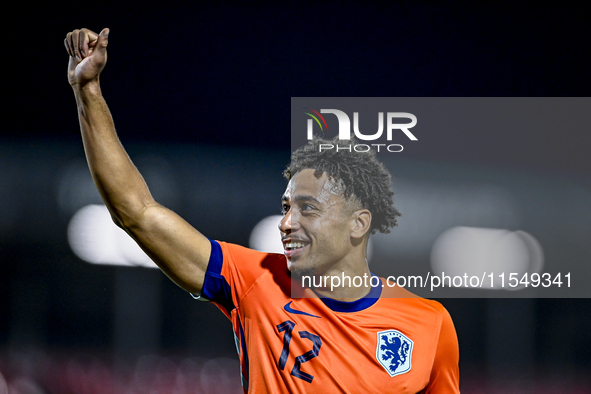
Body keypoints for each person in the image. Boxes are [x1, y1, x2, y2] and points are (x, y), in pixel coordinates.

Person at [64, 27, 460, 393]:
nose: (287, 223)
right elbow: (136, 212)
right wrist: (88, 91)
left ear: (359, 223)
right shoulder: (253, 281)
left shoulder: (429, 324)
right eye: (286, 207)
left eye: (308, 209)